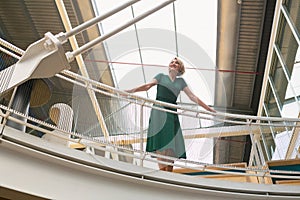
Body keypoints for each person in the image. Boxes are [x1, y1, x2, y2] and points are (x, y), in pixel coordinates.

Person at [125, 57, 216, 172]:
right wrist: (130, 91)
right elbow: (147, 86)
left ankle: (168, 172)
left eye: (176, 63)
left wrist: (207, 108)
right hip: (159, 112)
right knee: (161, 141)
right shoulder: (161, 77)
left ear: (180, 68)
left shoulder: (180, 82)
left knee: (171, 144)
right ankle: (163, 172)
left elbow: (192, 96)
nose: (173, 63)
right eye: (172, 62)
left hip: (172, 113)